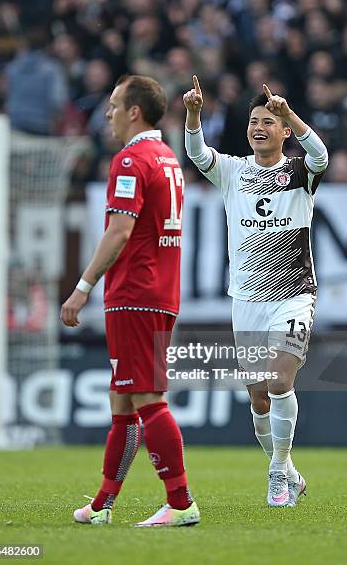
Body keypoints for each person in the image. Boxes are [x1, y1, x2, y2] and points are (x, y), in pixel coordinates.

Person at [61, 74, 200, 527]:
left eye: (115, 105)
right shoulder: (167, 158)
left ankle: (180, 503)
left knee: (147, 398)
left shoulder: (130, 160)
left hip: (135, 292)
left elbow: (119, 231)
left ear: (134, 111)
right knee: (123, 402)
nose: (108, 113)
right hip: (158, 290)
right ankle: (103, 505)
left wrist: (82, 287)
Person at [183, 75, 328, 507]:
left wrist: (292, 115)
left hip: (293, 293)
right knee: (258, 395)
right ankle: (290, 473)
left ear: (284, 130)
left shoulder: (300, 172)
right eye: (253, 121)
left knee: (280, 379)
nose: (259, 127)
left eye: (268, 121)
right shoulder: (233, 171)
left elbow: (320, 154)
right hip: (246, 299)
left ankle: (276, 472)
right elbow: (196, 153)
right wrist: (193, 113)